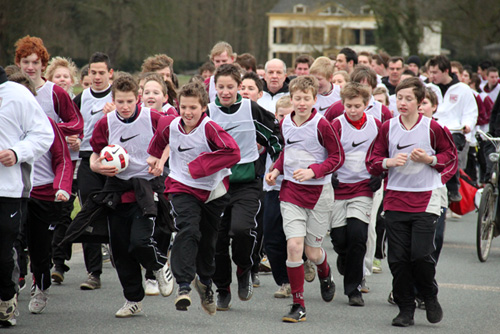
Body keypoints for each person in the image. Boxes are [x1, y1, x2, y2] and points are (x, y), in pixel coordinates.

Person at [366, 77, 457, 327]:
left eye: (409, 99)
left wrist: (429, 159)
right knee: (397, 258)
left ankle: (429, 293)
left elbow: (450, 158)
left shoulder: (433, 128)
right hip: (395, 198)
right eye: (399, 98)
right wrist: (388, 162)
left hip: (426, 198)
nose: (402, 103)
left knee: (420, 255)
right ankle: (405, 308)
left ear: (420, 102)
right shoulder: (388, 127)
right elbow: (372, 160)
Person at [147, 82, 240, 314]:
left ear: (204, 108)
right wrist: (154, 157)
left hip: (212, 190)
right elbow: (159, 138)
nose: (188, 113)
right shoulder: (170, 124)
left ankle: (205, 283)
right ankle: (184, 285)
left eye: (194, 108)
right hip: (182, 185)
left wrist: (202, 165)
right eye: (184, 107)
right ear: (178, 106)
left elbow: (233, 152)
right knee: (188, 230)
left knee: (209, 241)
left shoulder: (210, 128)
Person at [90, 74, 174, 318]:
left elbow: (175, 135)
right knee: (120, 250)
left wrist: (161, 159)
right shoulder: (106, 123)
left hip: (146, 189)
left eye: (129, 101)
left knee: (139, 241)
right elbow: (94, 155)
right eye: (120, 102)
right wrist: (98, 167)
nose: (125, 107)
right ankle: (132, 299)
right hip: (116, 189)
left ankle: (159, 264)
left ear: (137, 99)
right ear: (113, 100)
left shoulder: (153, 117)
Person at [265, 75, 344, 323]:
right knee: (294, 247)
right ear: (292, 98)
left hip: (319, 192)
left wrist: (314, 171)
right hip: (290, 191)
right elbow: (288, 150)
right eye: (297, 98)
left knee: (312, 252)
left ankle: (325, 270)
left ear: (314, 100)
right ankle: (298, 304)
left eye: (305, 99)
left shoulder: (322, 124)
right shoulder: (285, 122)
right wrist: (277, 169)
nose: (301, 103)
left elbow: (337, 157)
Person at [207, 64, 282, 311]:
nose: (226, 92)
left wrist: (277, 166)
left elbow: (274, 136)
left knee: (241, 229)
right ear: (214, 87)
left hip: (247, 183)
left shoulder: (250, 109)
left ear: (239, 87)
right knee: (216, 240)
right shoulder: (208, 113)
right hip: (216, 184)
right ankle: (222, 289)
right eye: (221, 87)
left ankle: (244, 269)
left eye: (230, 87)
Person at [14, 35, 84, 284]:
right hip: (16, 175)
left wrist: (53, 131)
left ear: (44, 64)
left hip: (47, 174)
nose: (30, 67)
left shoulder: (54, 93)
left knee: (39, 238)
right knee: (14, 234)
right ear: (19, 63)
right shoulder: (12, 92)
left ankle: (41, 277)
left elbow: (76, 122)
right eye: (25, 61)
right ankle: (17, 277)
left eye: (35, 62)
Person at [0, 66, 54, 327]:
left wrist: (17, 151)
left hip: (8, 188)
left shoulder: (16, 94)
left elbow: (44, 135)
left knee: (3, 251)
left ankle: (6, 297)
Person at [330, 82, 382, 307]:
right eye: (348, 105)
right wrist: (329, 172)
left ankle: (354, 289)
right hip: (338, 187)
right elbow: (326, 151)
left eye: (357, 106)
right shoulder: (335, 125)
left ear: (367, 104)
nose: (352, 110)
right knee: (340, 239)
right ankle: (345, 258)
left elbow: (382, 152)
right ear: (343, 104)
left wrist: (379, 173)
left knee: (359, 235)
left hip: (363, 187)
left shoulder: (376, 125)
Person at [73, 52, 115, 290]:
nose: (97, 77)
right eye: (93, 72)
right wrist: (73, 137)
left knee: (116, 211)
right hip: (89, 157)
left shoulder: (119, 96)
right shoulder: (81, 98)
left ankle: (122, 259)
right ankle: (93, 273)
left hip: (114, 159)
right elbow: (70, 125)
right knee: (89, 210)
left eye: (101, 72)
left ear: (110, 73)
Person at [26, 117, 73, 314]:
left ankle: (41, 285)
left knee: (40, 250)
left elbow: (63, 158)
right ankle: (9, 293)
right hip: (14, 192)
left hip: (44, 194)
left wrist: (62, 186)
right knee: (12, 242)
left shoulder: (46, 123)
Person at [428, 55, 478, 202]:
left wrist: (468, 125)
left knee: (450, 151)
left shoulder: (463, 89)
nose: (432, 76)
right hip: (433, 128)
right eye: (430, 72)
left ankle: (452, 188)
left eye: (435, 72)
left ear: (446, 71)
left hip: (455, 130)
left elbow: (470, 111)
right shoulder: (428, 87)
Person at [262, 95, 293, 298]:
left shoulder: (303, 133)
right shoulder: (267, 134)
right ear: (275, 116)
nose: (285, 120)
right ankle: (284, 281)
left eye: (290, 115)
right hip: (272, 189)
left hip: (297, 189)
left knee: (296, 238)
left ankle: (306, 260)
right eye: (281, 116)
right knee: (272, 238)